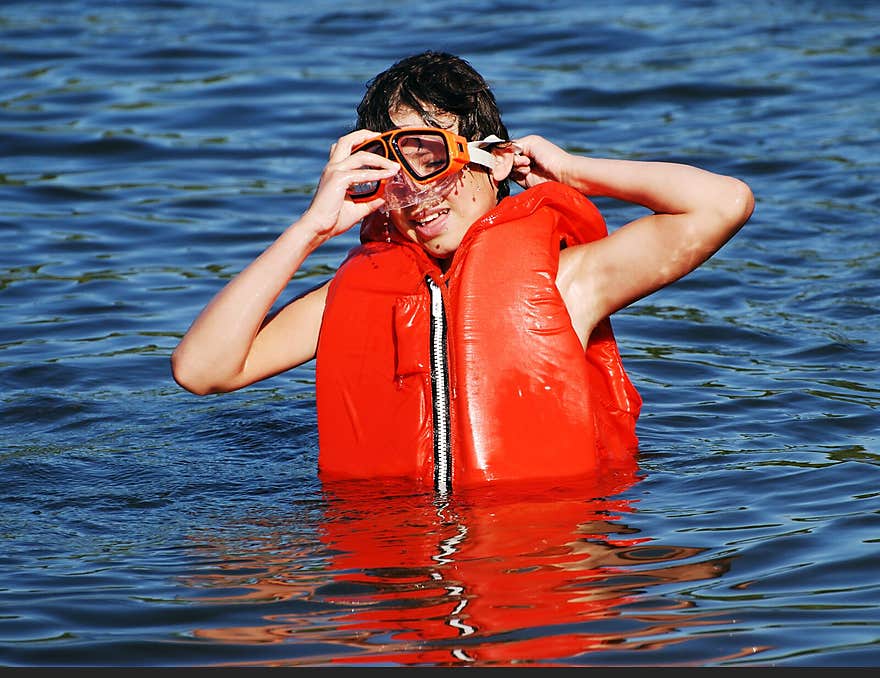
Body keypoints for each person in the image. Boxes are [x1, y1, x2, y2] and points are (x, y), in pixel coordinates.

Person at [171, 51, 754, 492]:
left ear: (492, 160)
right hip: (397, 579)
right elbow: (202, 371)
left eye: (430, 159)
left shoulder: (569, 282)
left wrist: (574, 171)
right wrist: (310, 231)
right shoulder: (351, 296)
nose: (414, 192)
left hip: (540, 562)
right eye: (386, 171)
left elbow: (723, 202)